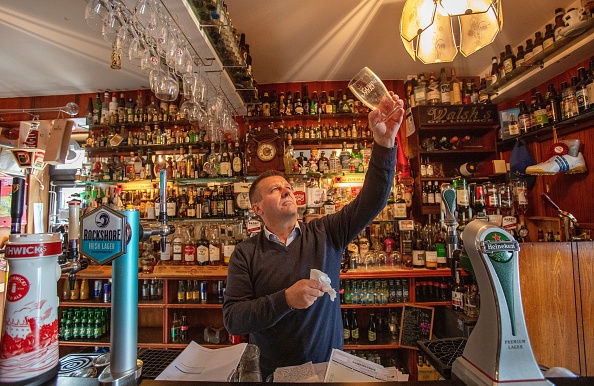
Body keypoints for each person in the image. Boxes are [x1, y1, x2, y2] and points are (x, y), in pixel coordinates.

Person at [223, 91, 405, 378]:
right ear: (257, 208)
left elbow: (373, 200)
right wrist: (285, 299)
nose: (285, 190)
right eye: (274, 189)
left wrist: (384, 144)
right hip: (275, 374)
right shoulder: (246, 252)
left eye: (286, 185)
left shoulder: (326, 232)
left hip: (328, 369)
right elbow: (234, 320)